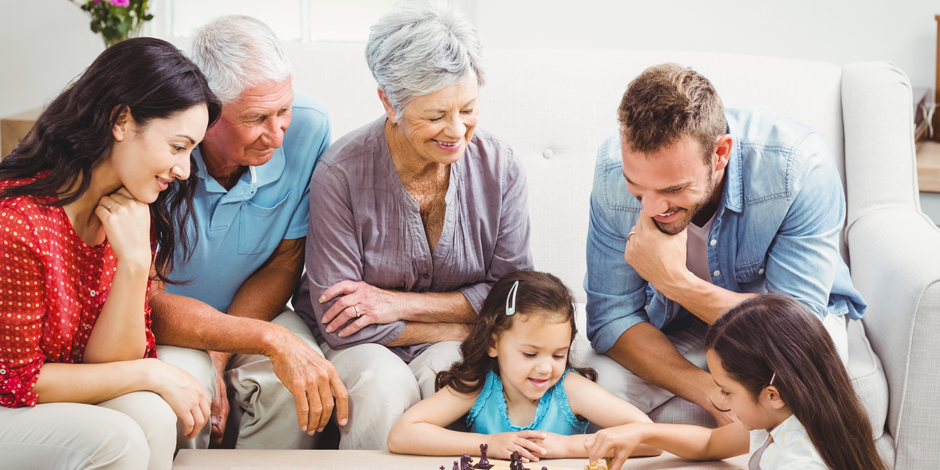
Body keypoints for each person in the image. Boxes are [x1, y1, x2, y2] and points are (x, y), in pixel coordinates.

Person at [292, 0, 532, 450]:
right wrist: (466, 324)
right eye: (436, 116)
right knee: (382, 382)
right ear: (389, 102)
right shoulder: (340, 173)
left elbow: (512, 295)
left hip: (430, 341)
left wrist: (394, 304)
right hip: (357, 350)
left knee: (455, 370)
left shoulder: (501, 168)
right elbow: (343, 323)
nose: (457, 130)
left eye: (468, 108)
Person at [582, 63, 867, 426]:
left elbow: (796, 326)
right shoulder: (611, 172)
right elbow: (612, 317)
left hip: (790, 325)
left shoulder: (796, 167)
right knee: (586, 398)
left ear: (720, 154)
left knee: (798, 404)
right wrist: (713, 394)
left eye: (673, 189)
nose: (651, 209)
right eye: (638, 188)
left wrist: (675, 282)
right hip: (680, 327)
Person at [0, 38, 220, 470]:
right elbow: (16, 380)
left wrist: (136, 263)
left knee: (156, 416)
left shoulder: (130, 209)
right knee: (118, 439)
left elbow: (109, 362)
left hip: (46, 386)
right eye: (178, 147)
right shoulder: (17, 223)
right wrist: (149, 373)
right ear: (121, 120)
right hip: (11, 396)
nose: (185, 170)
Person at [147, 15, 347, 450]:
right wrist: (215, 356)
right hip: (165, 324)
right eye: (256, 118)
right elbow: (149, 296)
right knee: (190, 390)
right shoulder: (162, 148)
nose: (276, 135)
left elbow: (285, 261)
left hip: (257, 310)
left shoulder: (310, 127)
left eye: (283, 110)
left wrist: (222, 352)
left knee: (293, 387)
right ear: (204, 111)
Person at [584, 294, 889, 470]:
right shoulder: (785, 420)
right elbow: (709, 443)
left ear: (772, 394)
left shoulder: (799, 461)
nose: (720, 401)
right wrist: (639, 432)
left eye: (727, 391)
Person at [387, 271, 660, 462]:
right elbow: (401, 435)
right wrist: (489, 445)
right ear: (493, 344)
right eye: (530, 354)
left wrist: (566, 446)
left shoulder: (570, 389)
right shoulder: (479, 386)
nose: (545, 369)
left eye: (557, 355)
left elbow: (653, 439)